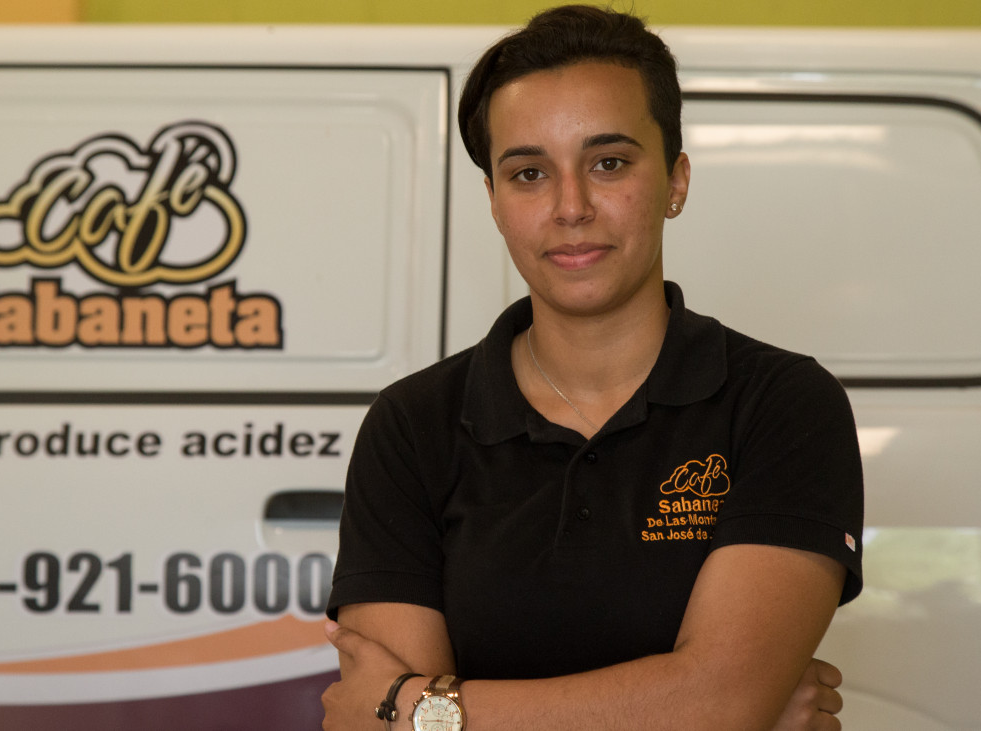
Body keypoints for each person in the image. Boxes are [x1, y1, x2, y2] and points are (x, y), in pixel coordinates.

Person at [322, 5, 864, 730]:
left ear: (676, 180)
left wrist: (428, 710)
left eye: (608, 163)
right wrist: (703, 705)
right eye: (528, 173)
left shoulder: (782, 404)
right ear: (494, 202)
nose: (570, 206)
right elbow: (721, 706)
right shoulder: (412, 425)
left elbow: (723, 701)